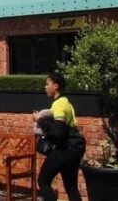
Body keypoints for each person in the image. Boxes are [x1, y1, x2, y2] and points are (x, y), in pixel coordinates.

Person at [34, 72, 85, 201]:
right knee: (71, 186)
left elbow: (58, 132)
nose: (45, 87)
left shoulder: (60, 103)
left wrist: (39, 119)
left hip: (66, 148)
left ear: (56, 86)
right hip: (75, 147)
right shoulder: (66, 102)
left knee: (43, 181)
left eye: (47, 84)